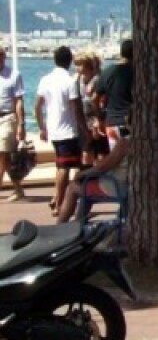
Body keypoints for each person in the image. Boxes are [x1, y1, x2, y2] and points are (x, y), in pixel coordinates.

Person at [35, 46, 90, 215]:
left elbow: (37, 105)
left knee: (62, 164)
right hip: (68, 130)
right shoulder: (70, 81)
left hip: (53, 129)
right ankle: (60, 203)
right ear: (69, 61)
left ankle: (59, 199)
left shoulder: (46, 80)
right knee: (64, 168)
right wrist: (85, 129)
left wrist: (42, 127)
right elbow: (77, 107)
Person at [56, 128, 130, 224]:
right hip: (130, 186)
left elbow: (102, 167)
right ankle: (78, 224)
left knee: (72, 188)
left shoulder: (125, 143)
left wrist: (81, 174)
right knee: (86, 187)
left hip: (118, 186)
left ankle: (59, 225)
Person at [95, 38, 133, 150]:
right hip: (129, 122)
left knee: (115, 158)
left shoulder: (106, 72)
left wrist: (99, 117)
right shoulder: (135, 72)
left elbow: (94, 98)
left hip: (111, 122)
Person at [0, 45, 27, 202]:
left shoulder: (13, 75)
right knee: (6, 158)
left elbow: (19, 101)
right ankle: (18, 188)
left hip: (7, 118)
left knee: (2, 153)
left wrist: (21, 124)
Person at [74, 49, 109, 166]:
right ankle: (87, 174)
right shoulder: (78, 80)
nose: (77, 68)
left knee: (100, 149)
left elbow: (101, 101)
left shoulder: (98, 79)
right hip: (84, 119)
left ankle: (100, 173)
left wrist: (98, 120)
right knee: (86, 148)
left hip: (95, 118)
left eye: (80, 65)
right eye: (76, 64)